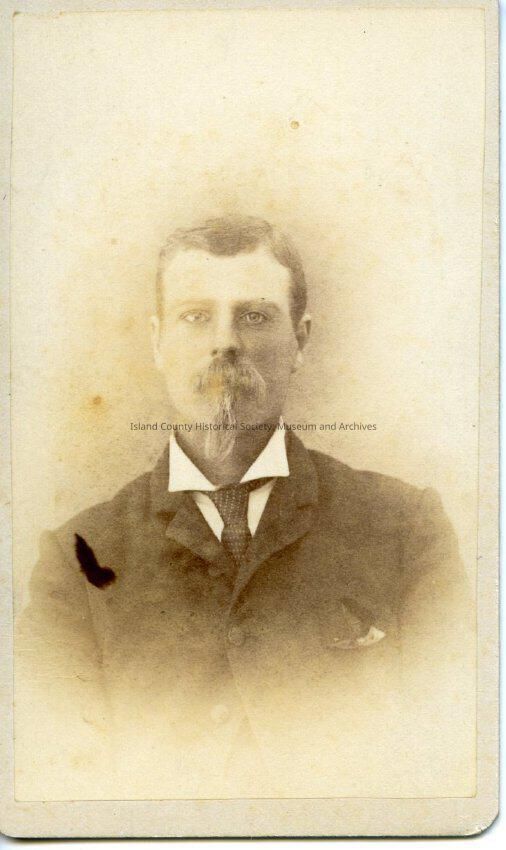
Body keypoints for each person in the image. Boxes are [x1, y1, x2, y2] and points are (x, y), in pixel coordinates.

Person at [15, 216, 474, 801]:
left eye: (255, 316)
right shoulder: (77, 559)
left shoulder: (406, 527)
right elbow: (57, 783)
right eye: (195, 316)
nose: (225, 341)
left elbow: (452, 758)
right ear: (157, 342)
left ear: (301, 340)